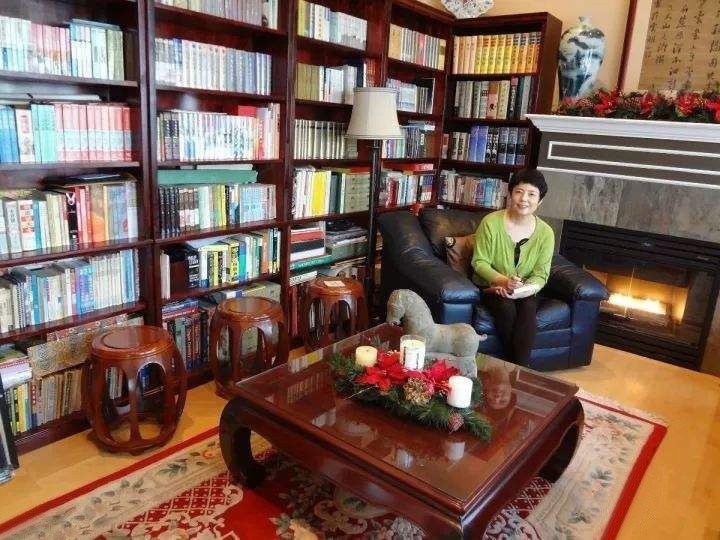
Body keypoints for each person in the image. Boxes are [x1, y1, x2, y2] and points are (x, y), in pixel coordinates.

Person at [471, 169, 554, 366]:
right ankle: (522, 369)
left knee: (528, 307)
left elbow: (541, 274)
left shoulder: (546, 233)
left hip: (524, 290)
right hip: (492, 288)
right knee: (505, 306)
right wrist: (504, 281)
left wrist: (523, 289)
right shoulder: (491, 223)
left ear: (540, 200)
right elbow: (479, 262)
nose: (524, 199)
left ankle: (515, 368)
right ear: (510, 194)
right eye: (519, 192)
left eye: (532, 194)